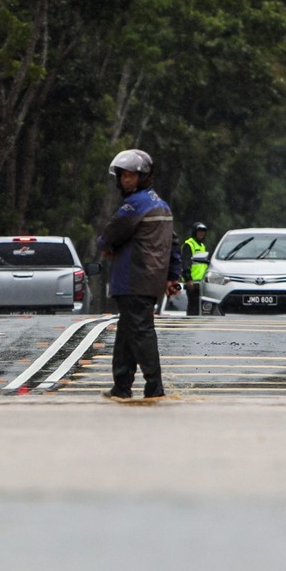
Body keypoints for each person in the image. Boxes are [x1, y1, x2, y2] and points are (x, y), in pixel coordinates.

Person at [94, 149, 182, 401]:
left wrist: (106, 246)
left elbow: (111, 234)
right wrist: (172, 275)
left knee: (141, 332)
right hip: (149, 280)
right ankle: (121, 387)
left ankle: (155, 387)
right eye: (123, 176)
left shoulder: (135, 205)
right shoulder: (160, 204)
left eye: (131, 176)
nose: (126, 181)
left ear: (144, 176)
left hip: (134, 279)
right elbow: (173, 243)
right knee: (126, 333)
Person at [182, 222, 211, 315]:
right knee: (193, 306)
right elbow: (185, 263)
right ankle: (190, 326)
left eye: (203, 232)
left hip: (201, 283)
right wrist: (188, 279)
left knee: (200, 308)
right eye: (199, 231)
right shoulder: (189, 244)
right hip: (193, 283)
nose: (201, 233)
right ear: (194, 232)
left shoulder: (202, 246)